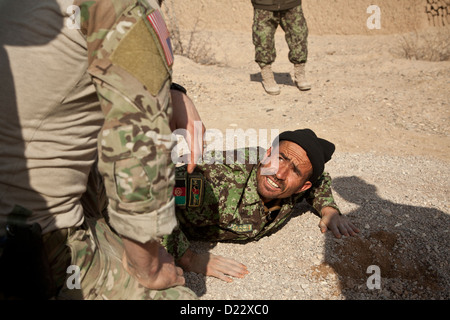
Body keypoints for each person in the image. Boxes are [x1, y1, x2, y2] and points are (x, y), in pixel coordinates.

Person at [0, 0, 201, 300]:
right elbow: (139, 152)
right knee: (177, 298)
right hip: (28, 240)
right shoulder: (125, 7)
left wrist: (171, 91)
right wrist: (149, 269)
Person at [162, 129, 360, 283]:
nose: (279, 173)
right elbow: (149, 200)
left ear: (303, 186)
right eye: (279, 158)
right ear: (267, 154)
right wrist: (187, 257)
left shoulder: (300, 185)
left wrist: (329, 209)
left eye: (295, 171)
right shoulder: (215, 182)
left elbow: (320, 179)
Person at [251, 0, 311, 95]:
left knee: (299, 34)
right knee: (263, 38)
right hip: (264, 4)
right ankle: (267, 75)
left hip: (291, 2)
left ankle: (300, 72)